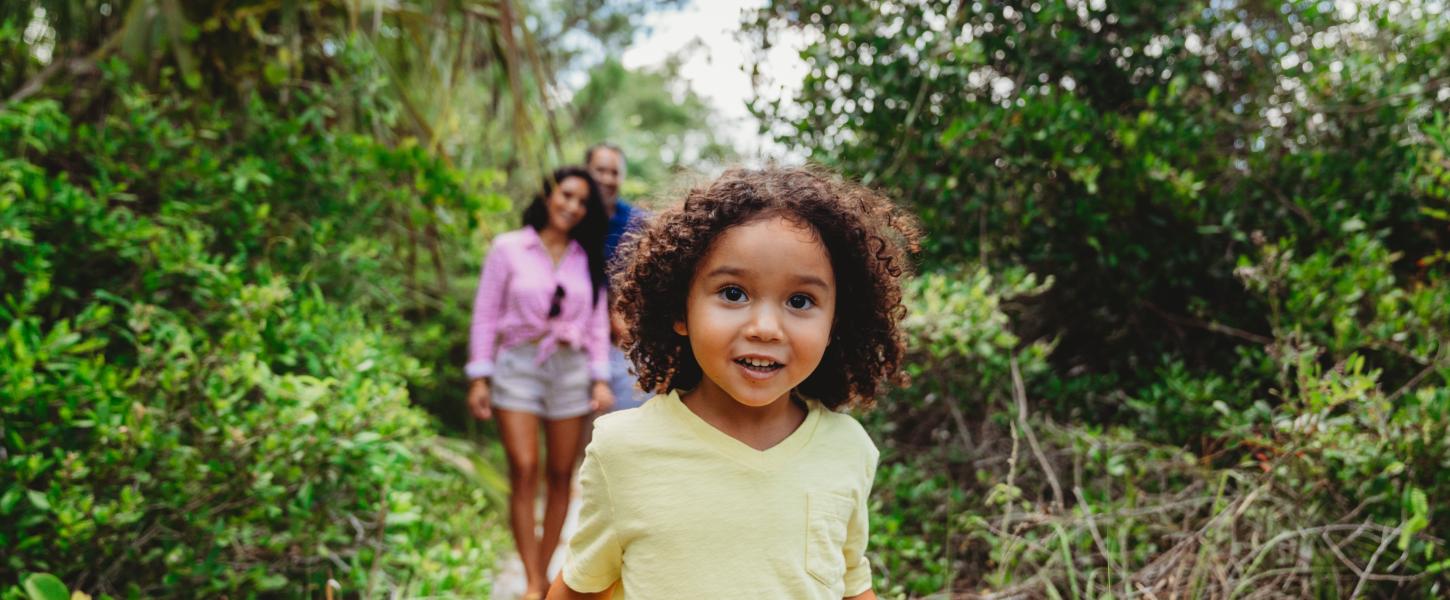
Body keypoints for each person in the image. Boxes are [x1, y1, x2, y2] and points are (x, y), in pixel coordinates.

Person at [546, 166, 920, 599]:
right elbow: (580, 587)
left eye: (800, 301)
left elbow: (852, 580)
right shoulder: (624, 449)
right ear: (680, 309)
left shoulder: (848, 449)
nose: (765, 327)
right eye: (733, 293)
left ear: (836, 321)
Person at [466, 166, 615, 600]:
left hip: (570, 369)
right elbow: (486, 314)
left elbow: (596, 325)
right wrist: (480, 375)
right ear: (549, 195)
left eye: (582, 202)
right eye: (566, 195)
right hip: (518, 365)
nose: (572, 206)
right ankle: (534, 582)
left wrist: (599, 379)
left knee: (560, 473)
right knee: (525, 469)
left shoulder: (586, 258)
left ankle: (544, 571)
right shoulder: (508, 248)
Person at [585, 142, 650, 412]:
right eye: (600, 170)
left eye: (614, 172)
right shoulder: (570, 218)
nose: (607, 178)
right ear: (585, 172)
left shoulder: (639, 223)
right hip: (573, 342)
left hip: (621, 344)